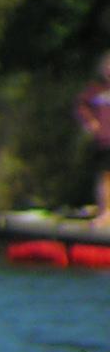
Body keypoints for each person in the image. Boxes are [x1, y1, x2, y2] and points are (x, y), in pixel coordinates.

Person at [75, 51, 110, 226]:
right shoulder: (95, 90)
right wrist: (91, 122)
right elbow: (82, 107)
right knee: (104, 176)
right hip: (104, 141)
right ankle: (105, 212)